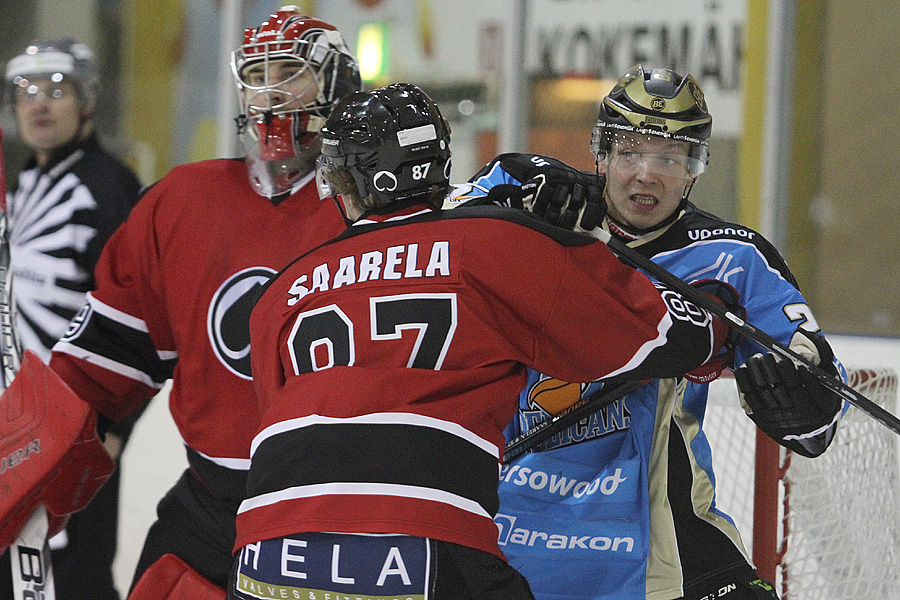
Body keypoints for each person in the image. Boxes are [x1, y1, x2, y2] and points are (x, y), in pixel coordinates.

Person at [234, 81, 743, 600]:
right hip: (421, 537)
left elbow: (278, 423)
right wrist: (717, 321)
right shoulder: (496, 243)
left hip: (263, 548)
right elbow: (650, 335)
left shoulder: (281, 292)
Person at [5, 8, 360, 598]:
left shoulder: (381, 215)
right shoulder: (183, 202)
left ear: (338, 86)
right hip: (215, 502)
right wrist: (19, 463)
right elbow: (103, 357)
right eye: (258, 73)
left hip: (342, 511)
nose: (269, 92)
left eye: (290, 71)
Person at [459, 65, 847, 600]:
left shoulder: (732, 258)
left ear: (695, 169)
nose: (647, 174)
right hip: (508, 536)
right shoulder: (538, 208)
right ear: (601, 152)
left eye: (670, 158)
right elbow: (422, 238)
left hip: (669, 545)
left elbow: (815, 402)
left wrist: (808, 399)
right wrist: (498, 198)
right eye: (631, 152)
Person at [1, 39, 142, 600]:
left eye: (57, 90)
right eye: (26, 91)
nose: (39, 103)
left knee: (74, 582)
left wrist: (114, 430)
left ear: (86, 101)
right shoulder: (21, 185)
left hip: (73, 433)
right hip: (14, 426)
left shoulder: (110, 186)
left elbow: (139, 313)